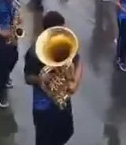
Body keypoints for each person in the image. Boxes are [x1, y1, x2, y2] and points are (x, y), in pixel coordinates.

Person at [24, 11, 82, 145]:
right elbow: (27, 77)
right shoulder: (35, 52)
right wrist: (40, 79)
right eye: (60, 29)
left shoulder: (65, 44)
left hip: (63, 101)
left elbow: (78, 62)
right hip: (44, 108)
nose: (65, 31)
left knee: (65, 133)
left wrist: (75, 83)